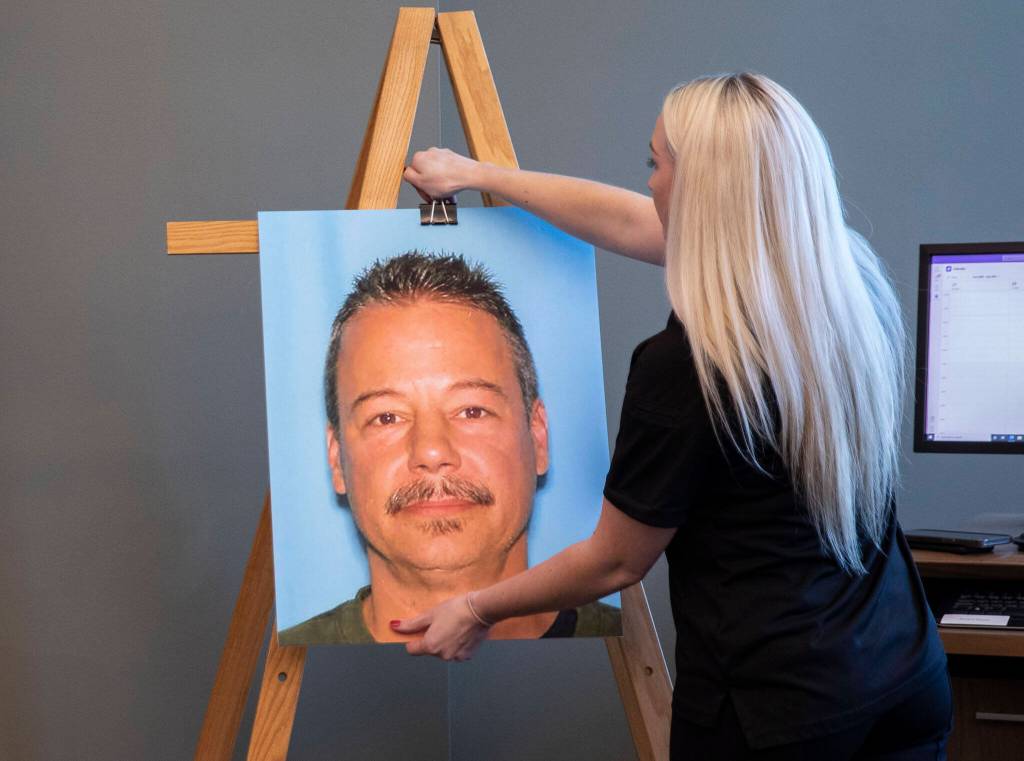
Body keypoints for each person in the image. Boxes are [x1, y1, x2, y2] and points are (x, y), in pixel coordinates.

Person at [395, 73, 952, 759]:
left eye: (656, 163)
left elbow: (614, 560)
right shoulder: (846, 281)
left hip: (778, 711)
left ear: (701, 191)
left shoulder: (687, 365)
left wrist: (476, 606)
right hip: (903, 678)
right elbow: (631, 220)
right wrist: (481, 176)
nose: (650, 183)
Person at [278, 252, 621, 645]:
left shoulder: (625, 650)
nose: (431, 451)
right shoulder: (296, 663)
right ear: (337, 459)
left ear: (538, 436)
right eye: (387, 417)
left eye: (472, 411)